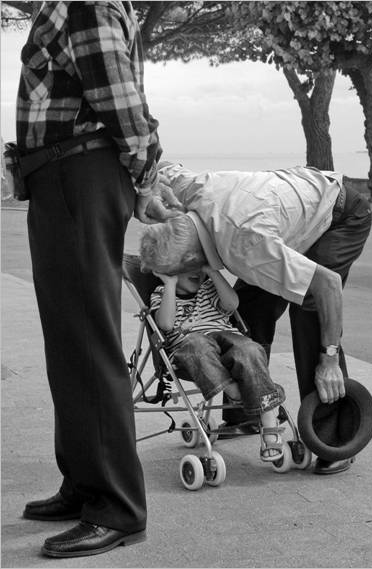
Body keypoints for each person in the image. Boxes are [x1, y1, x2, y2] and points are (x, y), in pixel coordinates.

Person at [16, 1, 174, 559]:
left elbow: (121, 101)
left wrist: (147, 174)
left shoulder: (84, 1)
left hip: (77, 175)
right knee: (70, 342)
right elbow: (120, 91)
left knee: (87, 342)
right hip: (66, 177)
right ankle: (86, 484)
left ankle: (116, 509)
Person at [139, 162, 372, 475]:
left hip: (339, 216)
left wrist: (328, 358)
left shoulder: (246, 247)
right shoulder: (187, 192)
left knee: (311, 311)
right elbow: (162, 167)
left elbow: (327, 284)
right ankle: (248, 410)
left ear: (195, 261)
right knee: (250, 309)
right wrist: (147, 193)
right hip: (277, 219)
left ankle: (334, 437)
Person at [150, 263, 286, 461]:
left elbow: (232, 305)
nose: (196, 270)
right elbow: (165, 324)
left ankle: (268, 419)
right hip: (192, 348)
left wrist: (212, 272)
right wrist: (170, 284)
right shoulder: (161, 294)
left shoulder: (208, 288)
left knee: (250, 349)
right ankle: (236, 392)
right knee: (194, 345)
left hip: (226, 339)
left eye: (199, 264)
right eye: (188, 266)